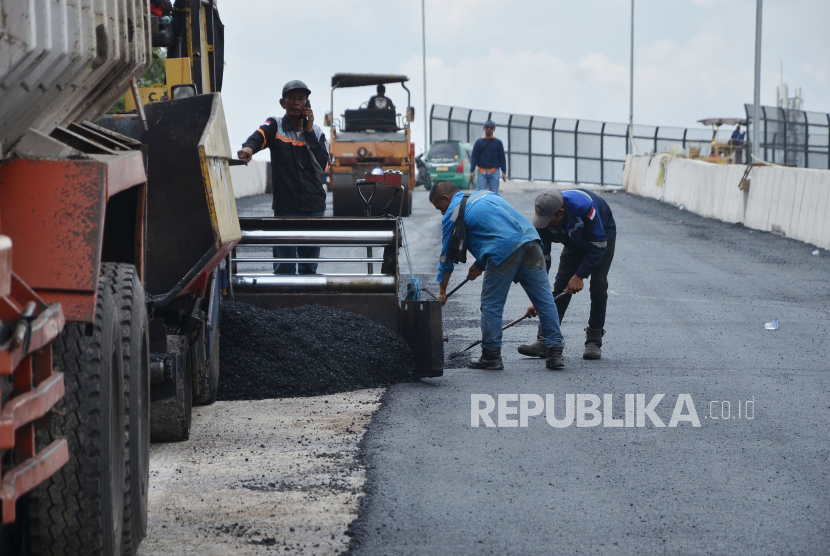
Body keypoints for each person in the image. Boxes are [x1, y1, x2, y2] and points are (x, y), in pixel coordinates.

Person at [430, 180, 565, 370]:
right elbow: (499, 228)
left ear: (446, 198)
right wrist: (480, 262)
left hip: (505, 250)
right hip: (532, 242)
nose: (442, 212)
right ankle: (555, 353)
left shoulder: (451, 214)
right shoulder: (485, 195)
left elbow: (447, 258)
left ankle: (491, 355)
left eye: (439, 207)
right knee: (545, 301)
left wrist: (442, 291)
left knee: (491, 305)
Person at [238, 80, 329, 275]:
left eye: (301, 99)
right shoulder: (275, 126)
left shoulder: (318, 133)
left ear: (308, 105)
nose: (297, 103)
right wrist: (248, 148)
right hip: (285, 206)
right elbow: (260, 135)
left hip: (313, 205)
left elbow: (323, 167)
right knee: (283, 264)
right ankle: (282, 300)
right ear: (282, 103)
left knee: (308, 266)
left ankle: (307, 300)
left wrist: (310, 132)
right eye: (292, 99)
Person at [519, 189, 616, 360]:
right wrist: (538, 299)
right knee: (561, 286)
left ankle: (594, 340)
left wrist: (580, 275)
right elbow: (543, 262)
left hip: (601, 237)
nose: (545, 224)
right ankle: (545, 340)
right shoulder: (543, 223)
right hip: (573, 241)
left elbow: (599, 244)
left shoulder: (584, 206)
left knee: (598, 285)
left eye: (549, 220)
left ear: (561, 213)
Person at [470, 120, 507, 194]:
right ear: (484, 128)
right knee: (480, 193)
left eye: (491, 127)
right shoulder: (479, 142)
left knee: (494, 193)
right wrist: (472, 171)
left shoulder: (498, 143)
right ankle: (481, 206)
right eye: (487, 127)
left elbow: (502, 157)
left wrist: (504, 172)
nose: (489, 129)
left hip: (494, 170)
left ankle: (492, 205)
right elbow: (474, 157)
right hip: (481, 171)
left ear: (494, 129)